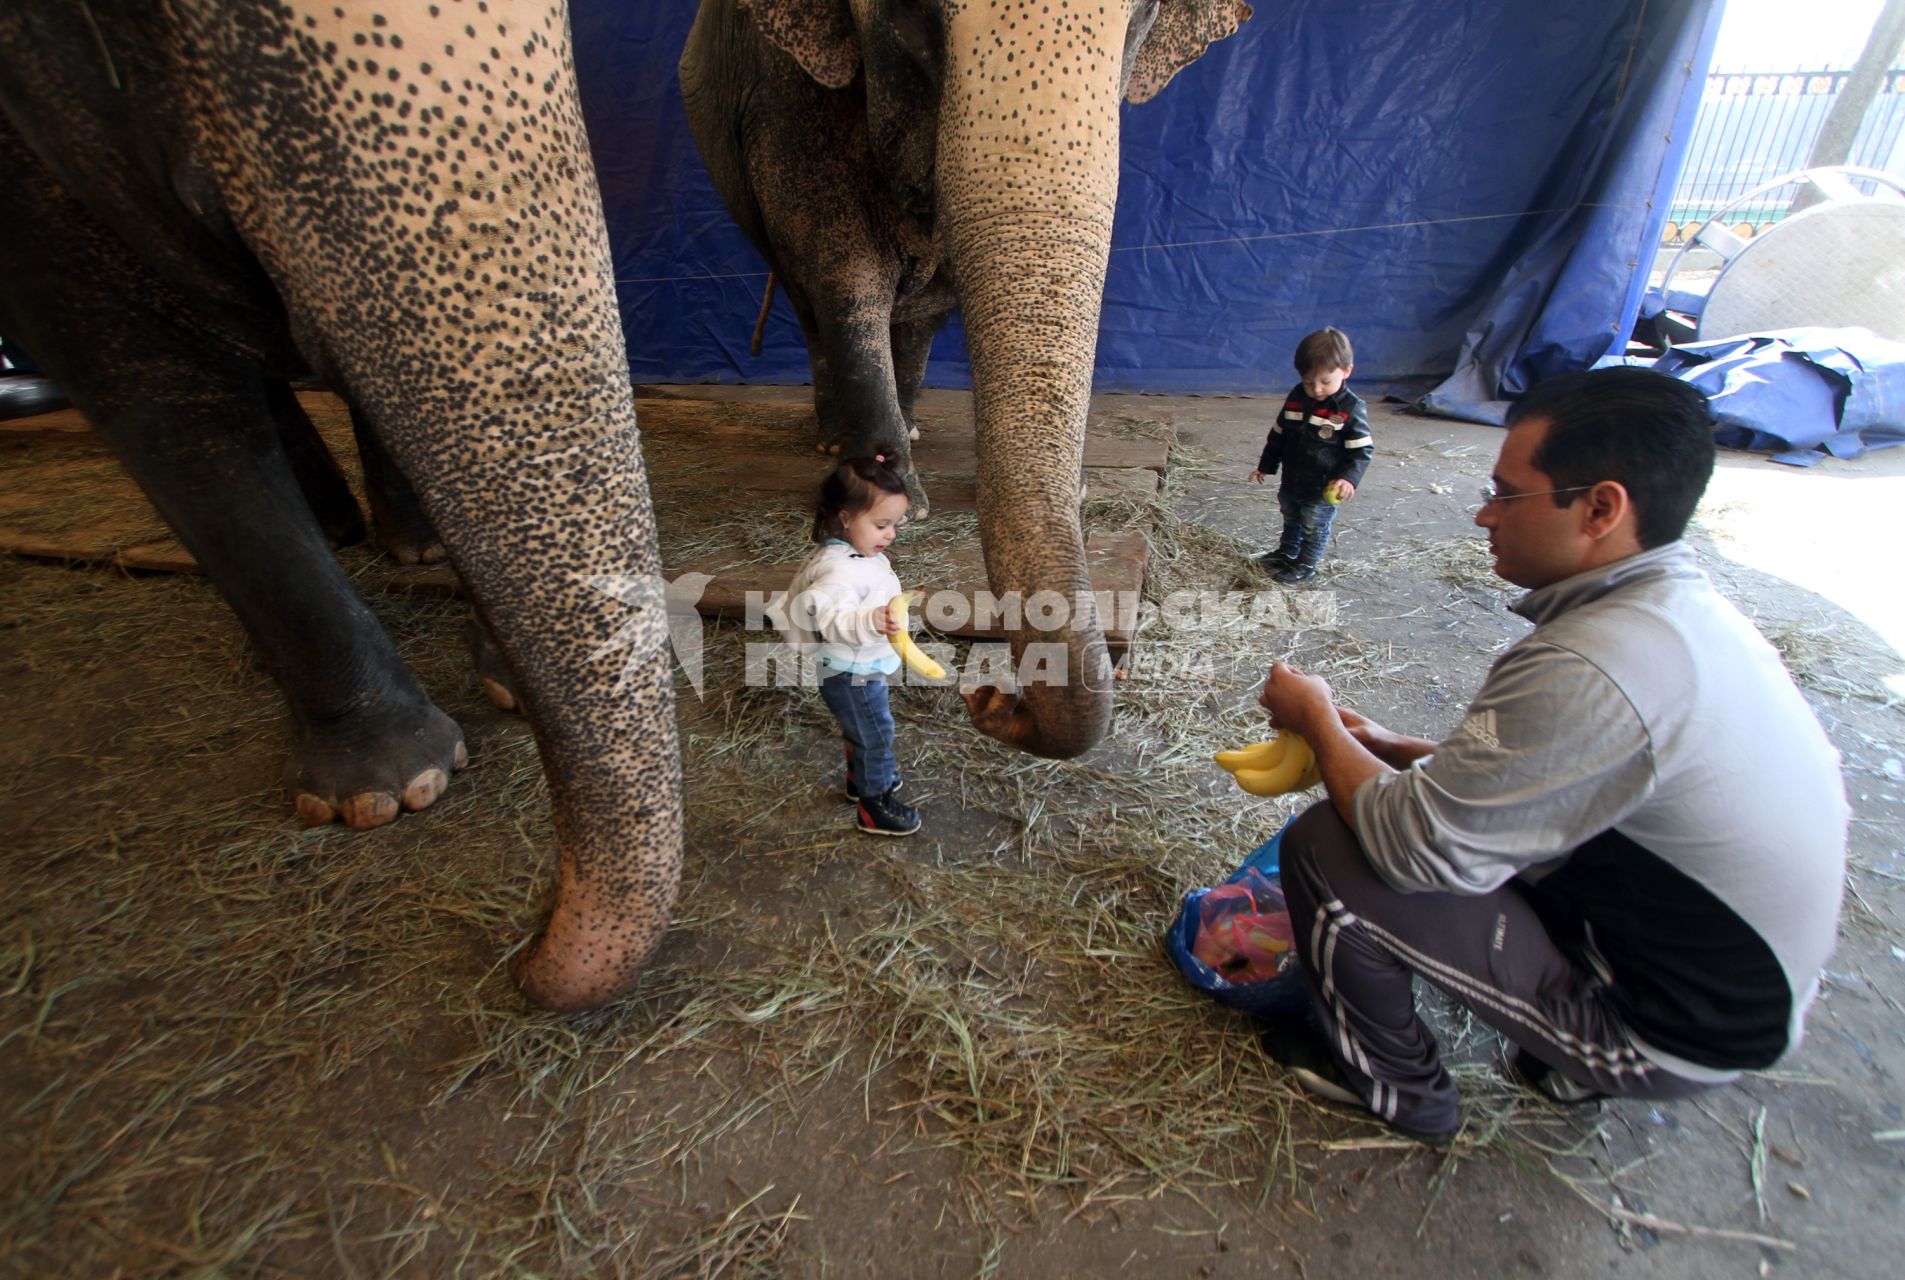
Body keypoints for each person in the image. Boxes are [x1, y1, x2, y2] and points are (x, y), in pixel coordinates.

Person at [1255, 366, 1847, 1147]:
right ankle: (1565, 1056)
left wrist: (1319, 718)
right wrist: (1392, 748)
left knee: (1329, 847)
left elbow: (1413, 850)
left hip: (1670, 1030)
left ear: (1600, 508)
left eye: (1506, 494)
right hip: (1729, 987)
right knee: (1408, 807)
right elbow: (1564, 779)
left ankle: (1395, 1087)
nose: (1481, 515)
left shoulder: (1593, 664)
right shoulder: (1678, 617)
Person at [772, 456, 921, 837]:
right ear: (845, 517)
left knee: (864, 729)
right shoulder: (837, 571)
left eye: (894, 525)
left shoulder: (858, 554)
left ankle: (862, 780)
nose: (890, 535)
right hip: (849, 670)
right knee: (875, 734)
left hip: (857, 665)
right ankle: (875, 805)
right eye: (881, 525)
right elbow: (832, 617)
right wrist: (868, 621)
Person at [1250, 327, 1373, 584]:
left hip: (1323, 484)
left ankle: (1307, 564)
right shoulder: (1296, 397)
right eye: (1308, 381)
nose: (1316, 389)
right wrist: (1266, 465)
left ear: (1347, 370)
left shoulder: (1351, 408)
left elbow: (1361, 450)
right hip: (1293, 478)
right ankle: (1287, 552)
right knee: (1291, 515)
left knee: (1313, 524)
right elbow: (1279, 435)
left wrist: (1347, 478)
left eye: (1325, 381)